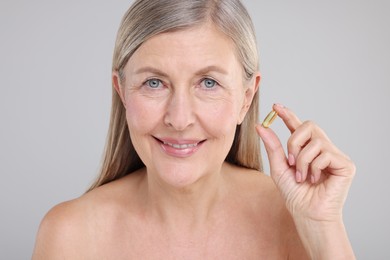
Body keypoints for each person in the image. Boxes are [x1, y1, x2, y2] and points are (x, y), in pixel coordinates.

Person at [32, 0, 356, 259]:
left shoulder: (294, 220)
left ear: (246, 97)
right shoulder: (70, 235)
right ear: (122, 91)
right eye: (154, 83)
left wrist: (323, 229)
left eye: (208, 83)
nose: (180, 118)